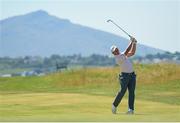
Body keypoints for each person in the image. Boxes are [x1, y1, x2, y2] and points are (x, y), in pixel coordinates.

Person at [111, 37, 137, 114]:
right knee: (122, 91)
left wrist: (134, 43)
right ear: (113, 53)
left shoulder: (122, 54)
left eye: (116, 49)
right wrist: (131, 42)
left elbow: (132, 52)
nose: (116, 51)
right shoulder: (118, 58)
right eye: (114, 51)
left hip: (132, 75)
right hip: (124, 76)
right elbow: (126, 51)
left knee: (132, 92)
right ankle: (114, 105)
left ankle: (131, 110)